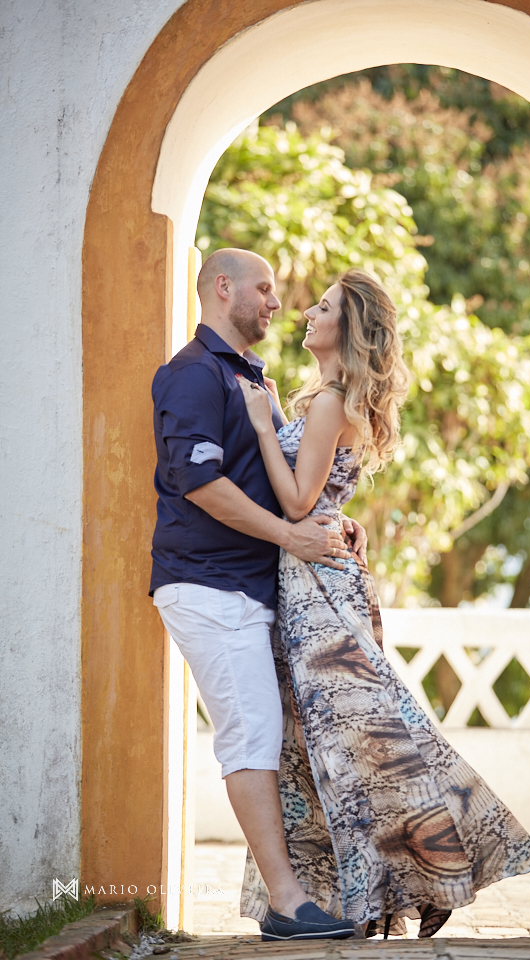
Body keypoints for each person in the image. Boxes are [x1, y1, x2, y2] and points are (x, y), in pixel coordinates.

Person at [236, 268, 530, 939]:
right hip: (308, 581)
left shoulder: (327, 403)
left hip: (318, 591)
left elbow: (296, 502)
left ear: (348, 330)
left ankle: (429, 873)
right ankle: (373, 891)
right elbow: (322, 499)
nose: (307, 314)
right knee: (337, 747)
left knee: (370, 743)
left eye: (323, 308)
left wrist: (263, 424)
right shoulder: (322, 399)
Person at [150, 248, 367, 942]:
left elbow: (287, 481)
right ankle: (286, 903)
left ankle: (301, 893)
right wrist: (291, 535)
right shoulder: (190, 374)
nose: (279, 302)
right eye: (265, 288)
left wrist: (331, 524)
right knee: (250, 735)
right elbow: (200, 483)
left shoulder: (249, 378)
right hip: (208, 584)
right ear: (223, 288)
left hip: (248, 587)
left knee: (268, 736)